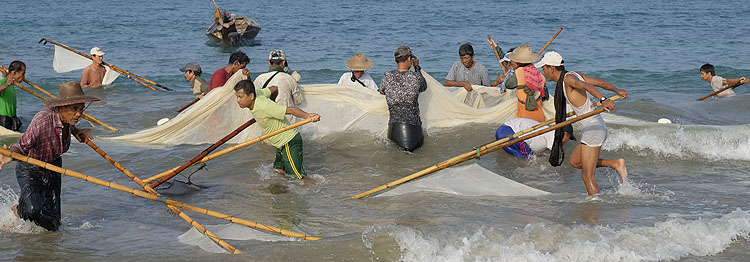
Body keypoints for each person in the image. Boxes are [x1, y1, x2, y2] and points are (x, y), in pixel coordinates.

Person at [0, 81, 99, 231]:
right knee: (32, 210)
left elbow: (67, 125)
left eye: (81, 109)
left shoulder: (67, 120)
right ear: (61, 107)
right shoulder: (43, 120)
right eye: (74, 109)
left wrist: (76, 131)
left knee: (53, 224)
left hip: (53, 167)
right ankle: (18, 209)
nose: (79, 114)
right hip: (30, 168)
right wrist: (11, 155)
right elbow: (22, 144)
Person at [536, 51, 628, 195]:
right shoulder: (574, 74)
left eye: (544, 68)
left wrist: (603, 100)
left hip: (593, 131)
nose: (543, 71)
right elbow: (601, 83)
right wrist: (617, 91)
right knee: (575, 162)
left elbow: (586, 86)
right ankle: (615, 164)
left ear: (551, 68)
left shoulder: (568, 79)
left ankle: (593, 209)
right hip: (593, 128)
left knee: (587, 176)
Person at [233, 80, 320, 181]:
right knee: (277, 171)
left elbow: (290, 110)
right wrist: (272, 101)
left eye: (240, 97)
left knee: (299, 179)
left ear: (251, 96)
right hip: (280, 144)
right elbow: (274, 88)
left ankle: (317, 192)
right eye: (237, 97)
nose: (238, 100)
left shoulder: (265, 106)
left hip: (289, 142)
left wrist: (308, 116)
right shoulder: (259, 93)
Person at [379, 46, 427, 152]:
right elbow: (424, 87)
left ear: (395, 61)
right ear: (409, 59)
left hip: (394, 129)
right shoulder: (416, 77)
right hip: (413, 130)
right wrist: (417, 67)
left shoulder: (387, 76)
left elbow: (382, 91)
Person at [253, 50, 303, 121]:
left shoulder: (259, 78)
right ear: (283, 62)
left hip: (267, 121)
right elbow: (298, 101)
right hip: (287, 121)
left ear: (269, 62)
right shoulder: (290, 79)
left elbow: (254, 99)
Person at [503, 45, 548, 122]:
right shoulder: (540, 75)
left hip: (524, 118)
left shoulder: (519, 72)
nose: (511, 62)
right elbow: (545, 96)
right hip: (540, 118)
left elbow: (508, 85)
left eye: (513, 60)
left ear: (519, 62)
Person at [495, 118, 575, 159]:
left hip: (502, 130)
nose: (567, 141)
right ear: (565, 134)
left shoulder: (549, 130)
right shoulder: (553, 135)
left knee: (521, 157)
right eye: (568, 138)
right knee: (530, 160)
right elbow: (557, 156)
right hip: (511, 133)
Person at [0, 61, 25, 131]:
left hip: (13, 116)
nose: (23, 77)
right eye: (23, 74)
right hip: (4, 119)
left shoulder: (11, 83)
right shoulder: (3, 82)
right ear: (15, 73)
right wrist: (6, 85)